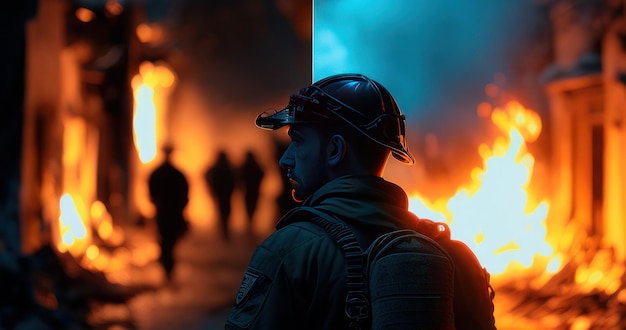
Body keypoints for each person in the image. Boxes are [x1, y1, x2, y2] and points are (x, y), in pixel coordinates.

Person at [225, 74, 454, 329]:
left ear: (335, 150)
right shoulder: (452, 256)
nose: (285, 160)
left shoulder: (290, 252)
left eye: (298, 142)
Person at [148, 145, 189, 281]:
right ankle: (168, 268)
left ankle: (167, 267)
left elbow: (151, 194)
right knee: (169, 242)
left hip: (164, 213)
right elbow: (186, 195)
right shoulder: (178, 174)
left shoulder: (157, 173)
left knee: (166, 241)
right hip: (173, 213)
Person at [205, 150, 236, 239]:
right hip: (224, 193)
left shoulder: (219, 167)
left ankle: (223, 227)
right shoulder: (227, 167)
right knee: (225, 211)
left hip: (222, 193)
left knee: (222, 210)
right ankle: (224, 228)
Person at [239, 150, 265, 228]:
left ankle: (250, 222)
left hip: (249, 191)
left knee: (249, 207)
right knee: (252, 207)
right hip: (253, 191)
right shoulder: (255, 166)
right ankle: (250, 222)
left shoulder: (245, 166)